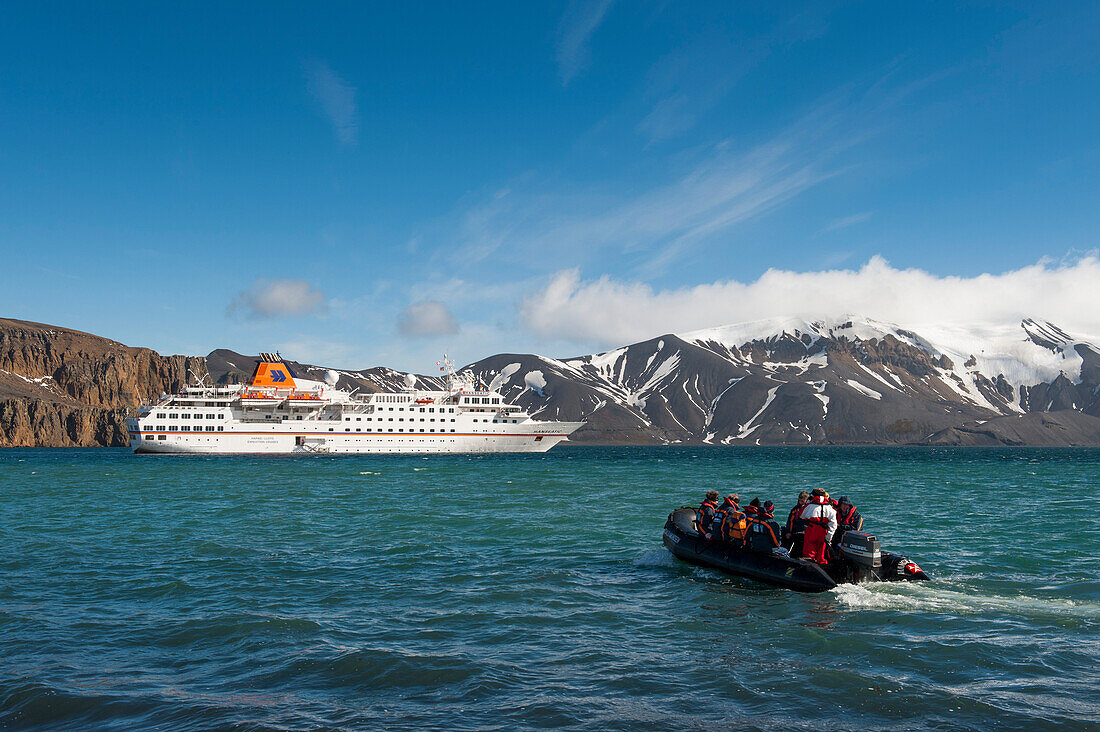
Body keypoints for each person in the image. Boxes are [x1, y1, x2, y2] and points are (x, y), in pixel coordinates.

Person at [799, 488, 838, 564]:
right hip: (823, 532)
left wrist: (808, 503)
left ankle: (809, 568)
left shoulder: (810, 506)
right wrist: (829, 537)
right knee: (821, 554)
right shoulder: (830, 508)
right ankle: (822, 567)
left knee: (809, 554)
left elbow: (801, 515)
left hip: (811, 530)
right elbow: (833, 525)